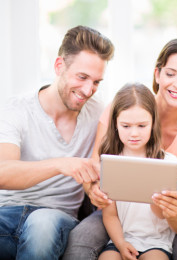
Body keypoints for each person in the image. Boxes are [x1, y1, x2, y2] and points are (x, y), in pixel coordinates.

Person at [63, 38, 177, 260]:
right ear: (157, 74)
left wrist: (169, 211)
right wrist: (93, 190)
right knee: (79, 244)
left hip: (165, 223)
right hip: (117, 212)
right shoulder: (125, 106)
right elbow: (94, 169)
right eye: (170, 74)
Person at [0, 25, 114, 260]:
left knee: (42, 224)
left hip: (55, 219)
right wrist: (61, 164)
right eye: (82, 77)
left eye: (96, 82)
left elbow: (95, 171)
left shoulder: (98, 115)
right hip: (6, 216)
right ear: (59, 66)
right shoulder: (16, 110)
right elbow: (3, 173)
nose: (87, 90)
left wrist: (94, 190)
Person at [98, 82, 177, 260]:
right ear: (115, 124)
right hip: (121, 238)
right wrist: (120, 244)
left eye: (142, 126)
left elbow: (163, 214)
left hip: (157, 242)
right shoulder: (111, 161)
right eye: (126, 126)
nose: (134, 133)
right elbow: (110, 215)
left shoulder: (167, 162)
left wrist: (156, 196)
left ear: (153, 123)